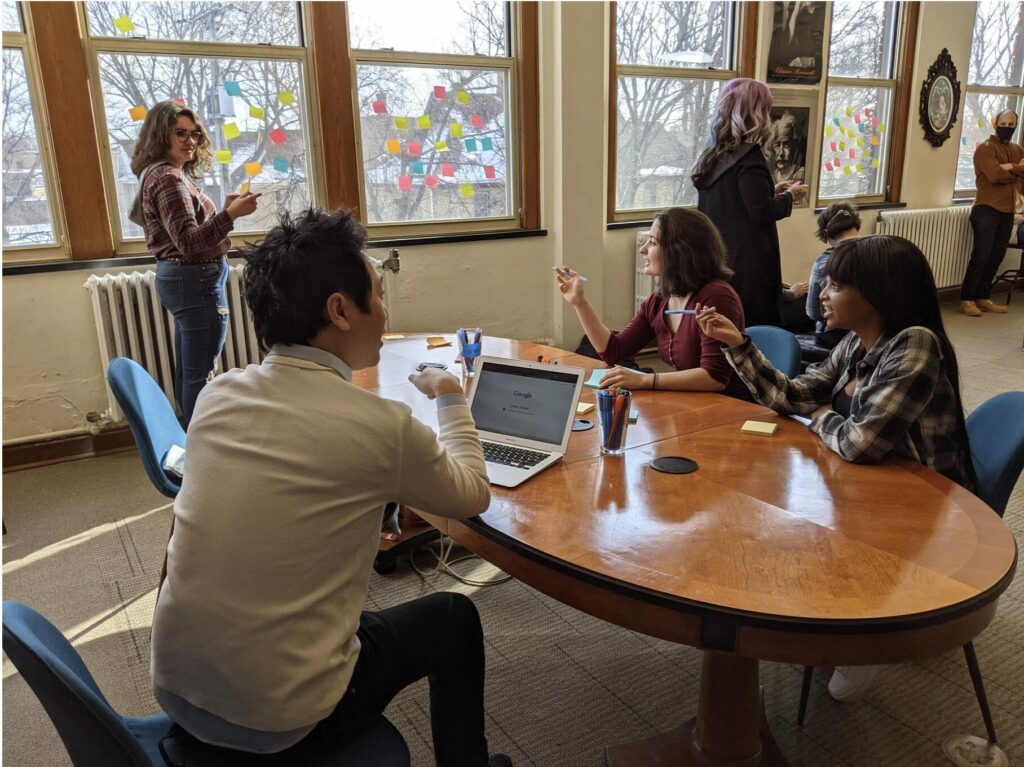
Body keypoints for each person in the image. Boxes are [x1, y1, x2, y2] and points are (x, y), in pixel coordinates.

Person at [150, 208, 511, 767]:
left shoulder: (217, 395)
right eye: (380, 294)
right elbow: (471, 495)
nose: (386, 313)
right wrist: (449, 396)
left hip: (175, 689)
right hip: (281, 723)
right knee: (452, 618)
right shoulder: (380, 427)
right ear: (340, 310)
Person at [696, 234, 976, 703]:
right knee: (764, 525)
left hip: (919, 506)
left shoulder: (915, 345)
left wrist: (823, 415)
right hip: (871, 483)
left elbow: (858, 443)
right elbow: (792, 397)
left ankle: (864, 635)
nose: (821, 294)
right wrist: (737, 344)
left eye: (835, 285)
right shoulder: (858, 343)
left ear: (876, 293)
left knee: (785, 531)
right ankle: (830, 617)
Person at [131, 100, 261, 422]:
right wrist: (230, 216)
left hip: (186, 278)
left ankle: (189, 439)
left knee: (191, 369)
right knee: (200, 374)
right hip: (195, 278)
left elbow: (188, 234)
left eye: (195, 134)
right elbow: (188, 243)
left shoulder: (163, 174)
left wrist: (221, 212)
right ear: (161, 135)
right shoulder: (168, 178)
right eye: (180, 134)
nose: (190, 141)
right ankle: (199, 448)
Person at [555, 207, 749, 399]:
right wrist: (579, 302)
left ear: (679, 250)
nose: (643, 249)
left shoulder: (716, 297)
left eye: (652, 242)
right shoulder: (658, 301)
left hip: (736, 408)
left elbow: (715, 378)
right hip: (695, 402)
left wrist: (644, 380)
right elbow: (614, 351)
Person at [693, 78, 807, 327]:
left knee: (725, 323)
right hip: (750, 263)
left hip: (719, 256)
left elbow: (733, 200)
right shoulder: (750, 157)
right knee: (754, 328)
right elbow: (760, 212)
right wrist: (790, 197)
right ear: (758, 112)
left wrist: (772, 190)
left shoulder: (713, 156)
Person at [960, 109, 1024, 316]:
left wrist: (1010, 166)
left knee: (997, 255)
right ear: (996, 124)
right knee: (981, 254)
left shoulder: (1016, 149)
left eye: (1011, 125)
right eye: (1003, 124)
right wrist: (1016, 171)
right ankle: (967, 298)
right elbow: (995, 175)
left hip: (1008, 210)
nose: (1007, 128)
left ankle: (983, 296)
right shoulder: (985, 149)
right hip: (986, 209)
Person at [807, 202, 861, 349]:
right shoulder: (879, 252)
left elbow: (812, 312)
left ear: (826, 232)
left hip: (835, 337)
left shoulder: (823, 262)